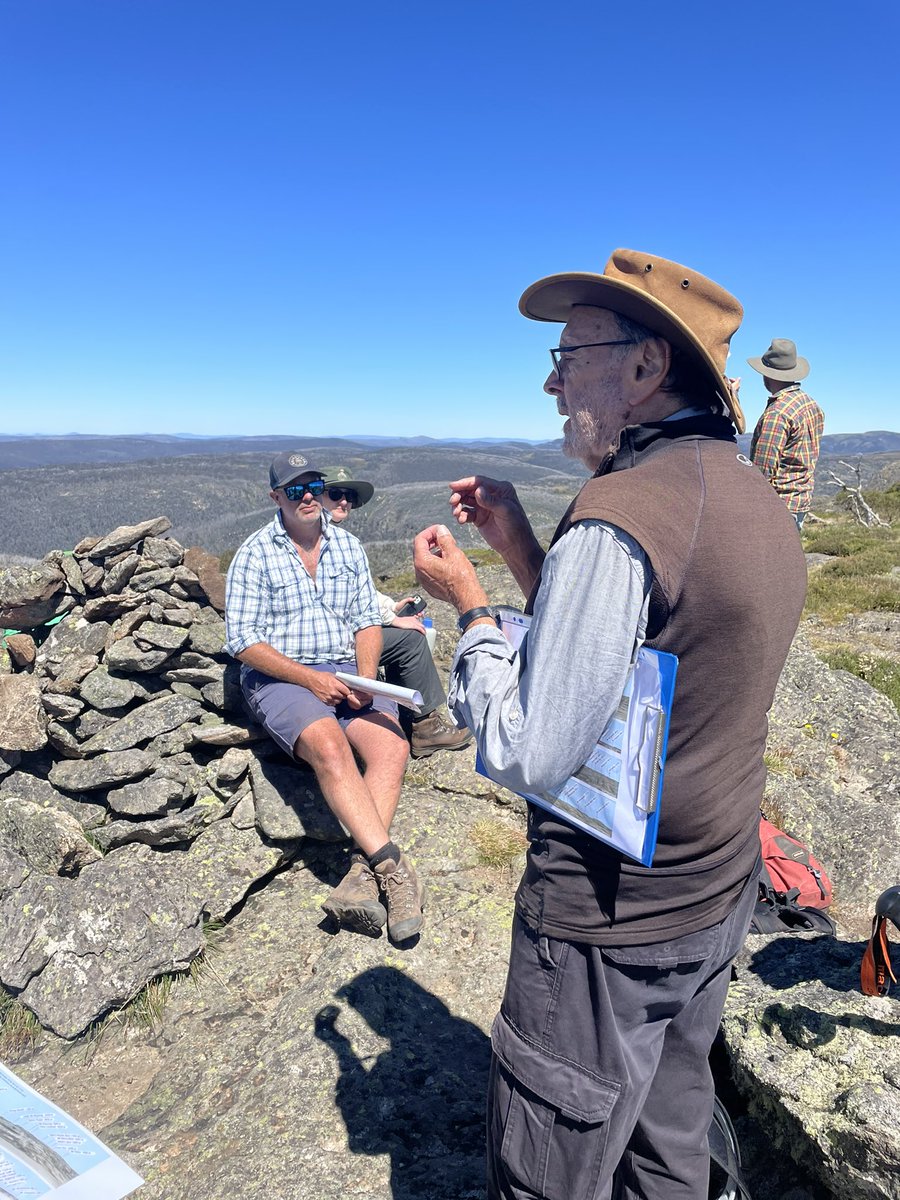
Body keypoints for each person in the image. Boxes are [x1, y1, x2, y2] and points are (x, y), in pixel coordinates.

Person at [412, 249, 808, 1199]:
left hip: (605, 925)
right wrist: (517, 548)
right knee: (666, 1145)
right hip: (712, 894)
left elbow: (529, 747)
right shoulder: (747, 492)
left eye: (571, 354)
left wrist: (469, 612)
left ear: (646, 367)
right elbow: (638, 661)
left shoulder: (620, 512)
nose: (552, 380)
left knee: (550, 1168)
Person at [224, 451, 425, 943]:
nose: (309, 495)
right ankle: (393, 871)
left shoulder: (349, 548)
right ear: (277, 498)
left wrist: (362, 677)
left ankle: (359, 877)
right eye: (295, 489)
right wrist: (310, 680)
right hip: (281, 677)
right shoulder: (254, 554)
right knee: (331, 749)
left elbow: (364, 621)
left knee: (392, 746)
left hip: (345, 668)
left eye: (314, 485)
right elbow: (244, 641)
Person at [321, 465, 473, 758]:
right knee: (411, 641)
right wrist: (392, 620)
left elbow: (358, 590)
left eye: (349, 496)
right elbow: (340, 599)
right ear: (316, 496)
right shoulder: (325, 542)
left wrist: (391, 608)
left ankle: (408, 716)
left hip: (336, 634)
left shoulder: (331, 539)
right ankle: (425, 728)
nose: (345, 501)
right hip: (332, 642)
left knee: (401, 632)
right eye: (336, 493)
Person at [747, 337, 824, 529]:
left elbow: (762, 472)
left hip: (777, 506)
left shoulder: (777, 413)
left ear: (768, 374)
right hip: (800, 501)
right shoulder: (811, 405)